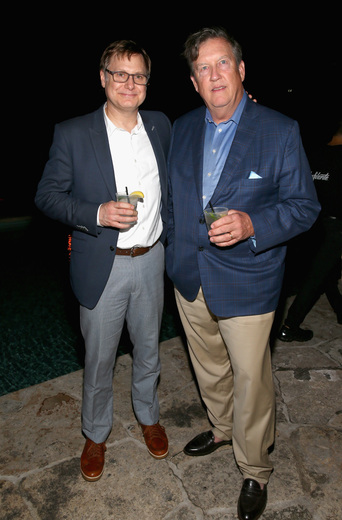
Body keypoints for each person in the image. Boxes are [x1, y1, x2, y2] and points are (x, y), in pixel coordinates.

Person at [166, 27, 320, 520]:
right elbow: (172, 200)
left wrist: (254, 223)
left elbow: (304, 207)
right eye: (203, 68)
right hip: (189, 275)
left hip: (249, 278)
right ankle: (222, 427)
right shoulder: (183, 127)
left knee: (252, 379)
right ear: (193, 81)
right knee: (209, 366)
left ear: (241, 69)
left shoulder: (279, 130)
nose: (214, 75)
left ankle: (255, 469)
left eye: (222, 63)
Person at [35, 40, 171, 482]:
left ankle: (148, 417)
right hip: (103, 263)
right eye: (120, 73)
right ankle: (95, 435)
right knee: (99, 358)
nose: (129, 83)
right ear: (102, 78)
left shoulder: (160, 126)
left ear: (147, 82)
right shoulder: (73, 132)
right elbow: (47, 196)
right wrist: (96, 213)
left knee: (149, 350)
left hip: (152, 258)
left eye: (138, 75)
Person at [278, 118, 342, 342]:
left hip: (312, 225)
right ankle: (289, 325)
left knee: (325, 272)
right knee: (316, 277)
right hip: (335, 228)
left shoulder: (314, 155)